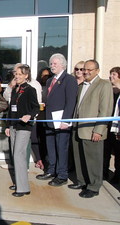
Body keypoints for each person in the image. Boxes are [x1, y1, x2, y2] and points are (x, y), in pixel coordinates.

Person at [70, 59, 113, 198]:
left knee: (93, 160)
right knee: (80, 158)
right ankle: (82, 181)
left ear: (97, 71)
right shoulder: (82, 86)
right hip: (78, 128)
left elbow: (105, 110)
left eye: (89, 70)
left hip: (92, 130)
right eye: (84, 69)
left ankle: (94, 186)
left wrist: (98, 130)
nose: (86, 72)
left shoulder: (104, 85)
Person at [36, 53, 78, 187]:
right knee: (51, 148)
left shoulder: (69, 79)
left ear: (63, 65)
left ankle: (62, 175)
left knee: (61, 148)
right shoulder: (49, 81)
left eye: (55, 63)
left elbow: (71, 101)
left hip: (62, 121)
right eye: (51, 63)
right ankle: (51, 170)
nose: (52, 66)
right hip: (50, 120)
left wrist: (66, 120)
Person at [5, 64, 39, 197]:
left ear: (26, 75)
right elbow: (10, 109)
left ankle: (23, 188)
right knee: (15, 154)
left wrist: (29, 115)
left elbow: (36, 108)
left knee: (19, 154)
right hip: (14, 125)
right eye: (16, 74)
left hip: (24, 127)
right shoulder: (15, 89)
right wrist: (8, 126)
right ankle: (19, 182)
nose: (17, 76)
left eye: (20, 74)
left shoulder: (30, 90)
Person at [109, 67, 120, 183]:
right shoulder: (113, 91)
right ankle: (117, 175)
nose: (111, 76)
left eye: (114, 74)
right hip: (115, 129)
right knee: (117, 155)